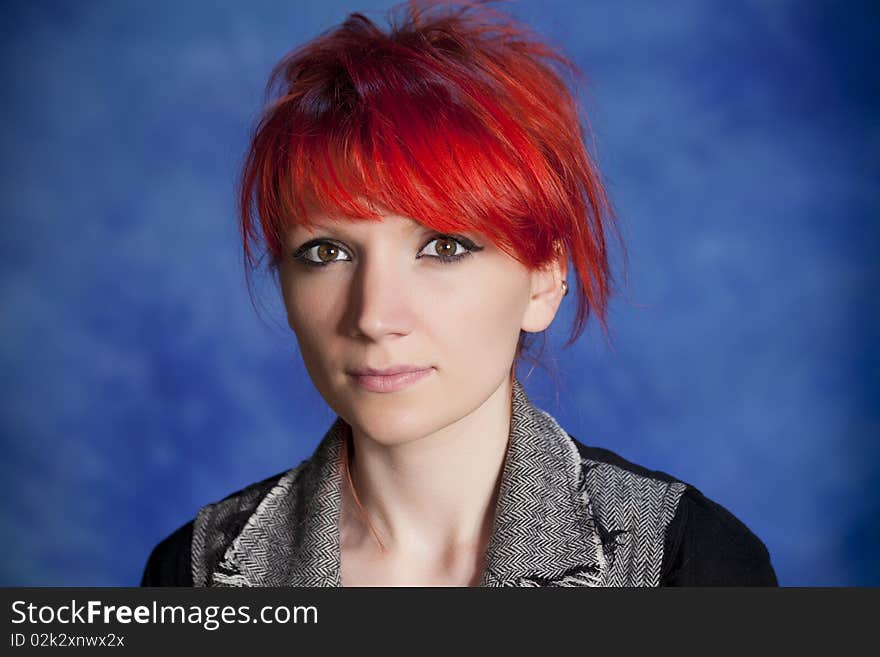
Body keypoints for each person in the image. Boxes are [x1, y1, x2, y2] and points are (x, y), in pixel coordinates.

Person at [141, 0, 777, 587]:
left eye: (444, 247)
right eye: (327, 252)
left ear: (545, 279)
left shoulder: (685, 561)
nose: (375, 316)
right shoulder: (195, 572)